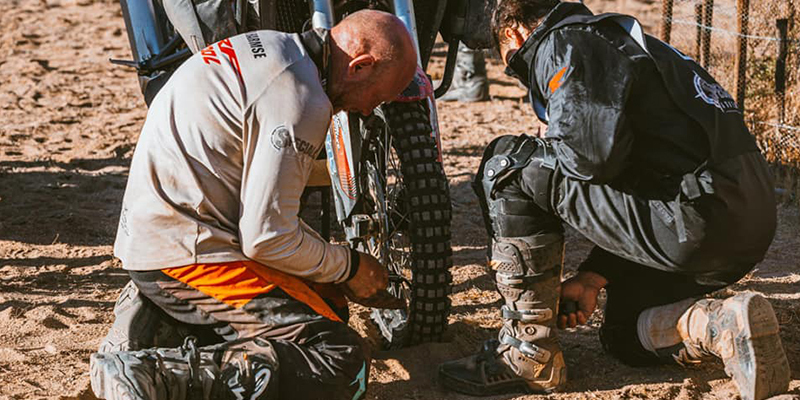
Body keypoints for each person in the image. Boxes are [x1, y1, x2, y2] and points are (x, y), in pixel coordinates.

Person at [437, 1, 791, 400]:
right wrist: (593, 276)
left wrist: (548, 143)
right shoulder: (624, 41)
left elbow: (589, 159)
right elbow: (641, 174)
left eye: (508, 60)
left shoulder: (568, 42)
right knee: (625, 331)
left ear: (513, 33)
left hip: (697, 214)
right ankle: (720, 324)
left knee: (508, 164)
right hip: (742, 224)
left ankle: (528, 350)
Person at [89, 10, 417, 400]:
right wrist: (350, 266)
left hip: (165, 233)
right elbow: (266, 239)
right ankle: (154, 375)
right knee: (341, 361)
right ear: (360, 66)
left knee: (328, 303)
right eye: (375, 98)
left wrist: (334, 272)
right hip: (184, 254)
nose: (364, 110)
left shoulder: (277, 49)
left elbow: (262, 216)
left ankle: (159, 319)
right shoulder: (301, 100)